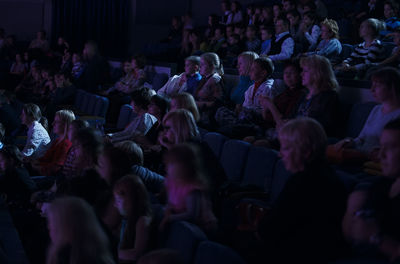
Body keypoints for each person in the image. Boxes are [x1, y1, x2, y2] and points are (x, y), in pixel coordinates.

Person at [255, 117, 347, 264]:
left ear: (306, 152)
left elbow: (269, 230)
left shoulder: (303, 183)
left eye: (285, 148)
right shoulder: (329, 176)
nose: (280, 154)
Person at [342, 118, 400, 262]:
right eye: (381, 147)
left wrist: (376, 237)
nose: (381, 156)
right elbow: (350, 236)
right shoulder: (381, 185)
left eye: (391, 147)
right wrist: (350, 214)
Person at [333, 67, 400, 160]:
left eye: (377, 85)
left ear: (392, 87)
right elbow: (361, 138)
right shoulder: (376, 109)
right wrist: (349, 141)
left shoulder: (397, 115)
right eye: (372, 85)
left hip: (374, 160)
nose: (372, 89)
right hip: (359, 152)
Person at [159, 143, 217, 234]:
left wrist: (169, 218)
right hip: (180, 222)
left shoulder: (193, 188)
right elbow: (171, 203)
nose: (166, 167)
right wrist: (167, 211)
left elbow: (192, 215)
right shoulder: (172, 181)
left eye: (172, 164)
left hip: (199, 228)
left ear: (184, 166)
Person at [46, 197, 115, 264]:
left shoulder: (65, 257)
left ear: (66, 226)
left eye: (52, 221)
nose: (49, 227)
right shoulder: (99, 254)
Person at [113, 175, 154, 262]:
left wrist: (112, 253)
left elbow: (137, 254)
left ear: (131, 200)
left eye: (119, 200)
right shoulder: (126, 220)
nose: (115, 204)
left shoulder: (142, 221)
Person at [32, 110, 75, 176]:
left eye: (57, 122)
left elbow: (56, 168)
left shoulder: (66, 144)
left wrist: (38, 167)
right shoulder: (57, 141)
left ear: (65, 125)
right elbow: (46, 159)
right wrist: (36, 162)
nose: (53, 124)